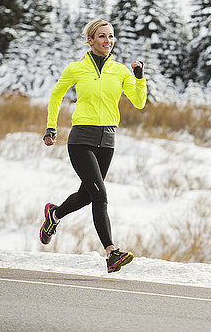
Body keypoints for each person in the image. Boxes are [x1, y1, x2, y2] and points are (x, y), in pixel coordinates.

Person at [40, 18, 147, 273]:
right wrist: (51, 127)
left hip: (108, 140)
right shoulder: (76, 69)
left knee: (86, 196)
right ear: (90, 40)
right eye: (101, 36)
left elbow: (139, 102)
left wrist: (139, 77)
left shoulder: (120, 71)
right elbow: (56, 95)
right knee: (100, 194)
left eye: (110, 36)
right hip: (81, 140)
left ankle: (53, 215)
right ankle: (111, 253)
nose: (107, 41)